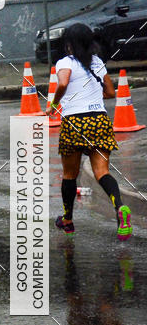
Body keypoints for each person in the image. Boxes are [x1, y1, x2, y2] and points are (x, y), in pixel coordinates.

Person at [47, 22, 132, 238]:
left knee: (69, 174)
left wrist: (55, 104)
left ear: (69, 44)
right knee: (102, 172)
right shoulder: (97, 62)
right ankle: (120, 208)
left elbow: (63, 83)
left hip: (75, 123)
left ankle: (67, 220)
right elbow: (111, 92)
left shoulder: (64, 62)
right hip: (99, 121)